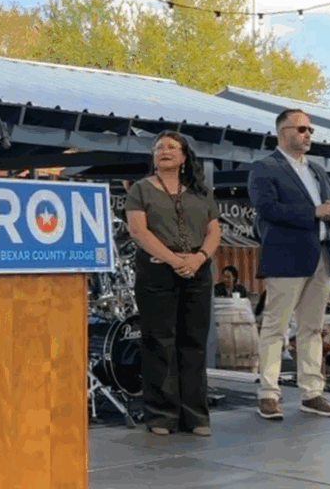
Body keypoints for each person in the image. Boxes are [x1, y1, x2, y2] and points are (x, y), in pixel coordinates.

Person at [247, 108, 330, 420]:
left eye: (310, 131)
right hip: (286, 257)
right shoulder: (265, 168)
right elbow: (267, 209)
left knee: (313, 329)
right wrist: (314, 212)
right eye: (301, 129)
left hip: (321, 256)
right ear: (282, 132)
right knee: (276, 327)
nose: (307, 135)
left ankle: (312, 393)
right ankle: (268, 394)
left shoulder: (317, 170)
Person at [125, 131, 221, 437]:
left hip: (198, 271)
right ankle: (161, 416)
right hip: (156, 272)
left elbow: (214, 231)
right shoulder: (140, 189)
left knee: (193, 343)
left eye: (171, 147)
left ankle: (195, 416)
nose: (163, 151)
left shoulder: (201, 191)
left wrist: (199, 258)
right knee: (159, 343)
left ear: (183, 157)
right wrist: (173, 259)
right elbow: (139, 232)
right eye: (158, 148)